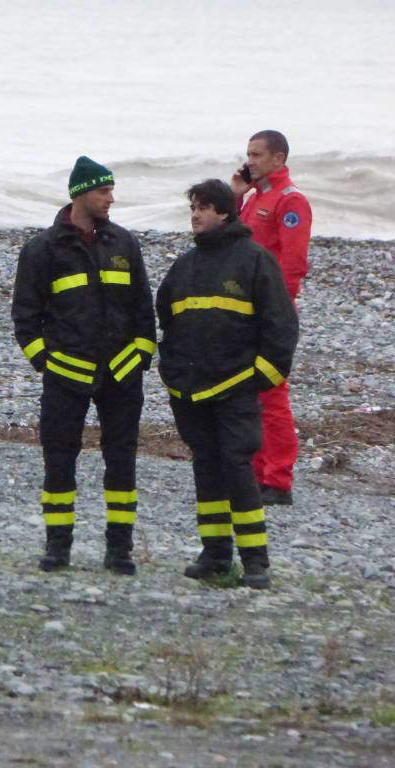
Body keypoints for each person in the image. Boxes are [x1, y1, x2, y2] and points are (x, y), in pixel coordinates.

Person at [12, 156, 155, 575]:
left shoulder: (125, 244)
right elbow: (25, 317)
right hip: (66, 377)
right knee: (58, 461)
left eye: (111, 190)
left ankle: (120, 550)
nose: (111, 198)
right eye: (103, 191)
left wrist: (140, 357)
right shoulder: (42, 249)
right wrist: (47, 363)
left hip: (122, 375)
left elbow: (143, 310)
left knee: (122, 460)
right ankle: (58, 548)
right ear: (80, 194)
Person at [158, 179, 299, 589]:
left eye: (203, 208)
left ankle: (256, 561)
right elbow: (167, 316)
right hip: (191, 390)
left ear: (224, 212)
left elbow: (281, 326)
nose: (196, 216)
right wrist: (173, 372)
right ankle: (215, 555)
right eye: (193, 209)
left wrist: (262, 378)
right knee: (206, 467)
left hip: (237, 386)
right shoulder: (184, 265)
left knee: (238, 467)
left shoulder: (254, 261)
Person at [231, 130, 312, 507]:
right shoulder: (254, 199)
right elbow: (230, 238)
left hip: (271, 310)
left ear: (278, 159)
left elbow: (293, 264)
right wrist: (235, 194)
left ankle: (278, 479)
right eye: (248, 154)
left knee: (272, 393)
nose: (251, 161)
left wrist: (278, 309)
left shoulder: (290, 200)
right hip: (245, 308)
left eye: (257, 155)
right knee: (250, 391)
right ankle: (257, 471)